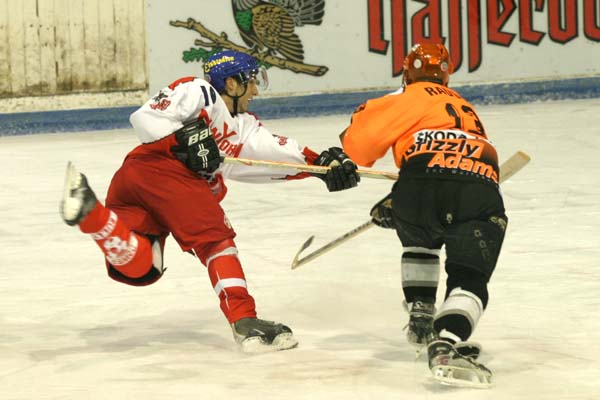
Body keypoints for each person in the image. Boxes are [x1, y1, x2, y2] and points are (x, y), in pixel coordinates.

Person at [60, 49, 360, 353]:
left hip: (132, 181)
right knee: (216, 243)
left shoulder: (243, 128)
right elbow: (144, 118)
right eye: (251, 82)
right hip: (165, 172)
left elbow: (274, 153)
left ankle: (92, 215)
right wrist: (181, 139)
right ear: (231, 83)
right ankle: (244, 321)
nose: (255, 91)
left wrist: (321, 166)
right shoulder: (199, 92)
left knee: (143, 268)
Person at [340, 43, 507, 387]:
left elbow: (357, 148)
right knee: (469, 277)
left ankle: (421, 312)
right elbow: (454, 160)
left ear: (406, 73)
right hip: (477, 180)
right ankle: (446, 340)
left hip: (416, 185)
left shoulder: (403, 97)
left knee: (421, 235)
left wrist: (402, 201)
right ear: (447, 75)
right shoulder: (463, 104)